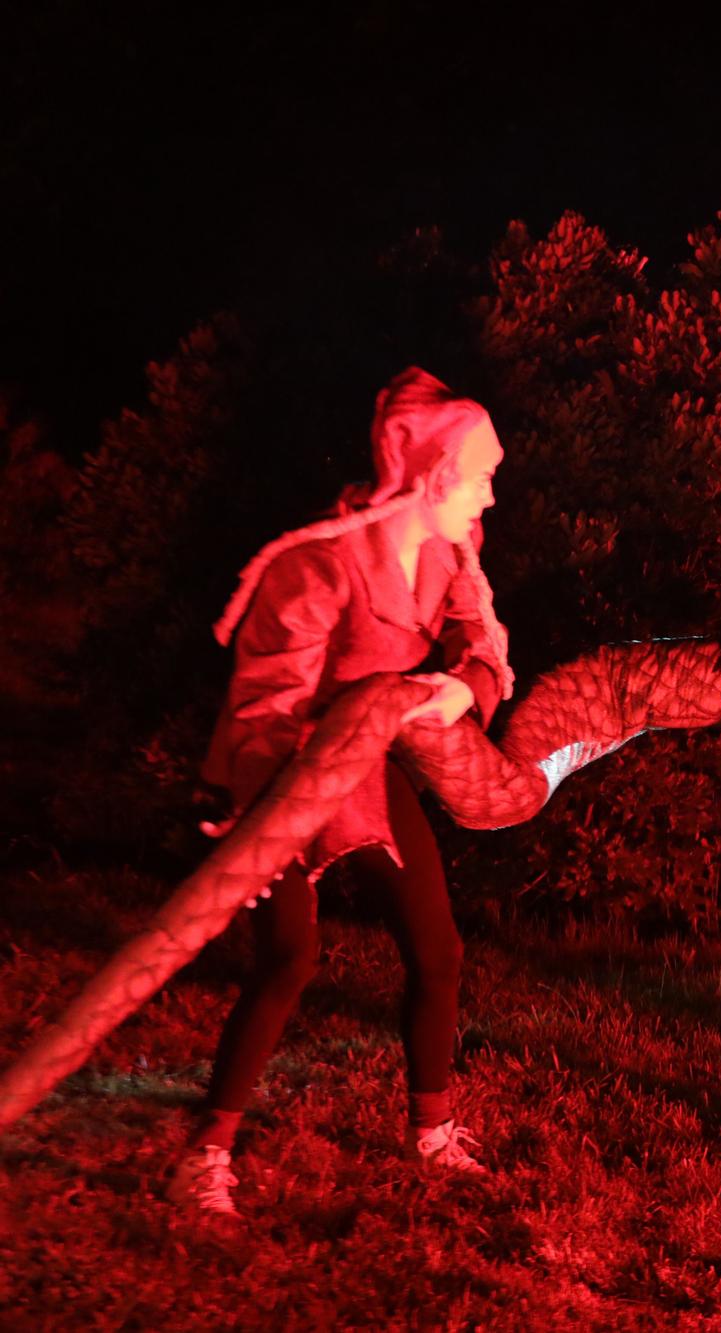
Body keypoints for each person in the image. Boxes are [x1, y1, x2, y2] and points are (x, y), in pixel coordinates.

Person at [167, 368, 514, 1218]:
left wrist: (465, 685)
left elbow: (485, 647)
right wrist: (284, 805)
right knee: (289, 957)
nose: (491, 499)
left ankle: (430, 1130)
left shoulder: (446, 556)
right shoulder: (317, 566)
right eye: (481, 478)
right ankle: (205, 1153)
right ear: (433, 478)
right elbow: (264, 707)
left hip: (368, 763)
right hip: (279, 774)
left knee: (438, 950)